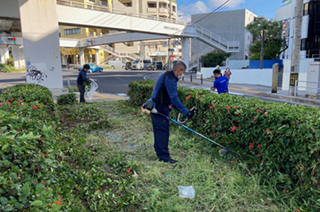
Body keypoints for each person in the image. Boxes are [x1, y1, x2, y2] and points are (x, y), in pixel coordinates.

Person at [150, 61, 196, 164]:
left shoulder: (167, 76)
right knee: (162, 133)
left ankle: (161, 154)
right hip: (159, 108)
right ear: (179, 70)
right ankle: (164, 158)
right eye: (182, 72)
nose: (182, 75)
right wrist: (186, 112)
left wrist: (184, 110)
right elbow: (174, 98)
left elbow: (170, 100)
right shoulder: (170, 79)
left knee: (160, 132)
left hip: (158, 107)